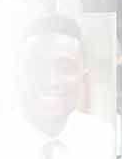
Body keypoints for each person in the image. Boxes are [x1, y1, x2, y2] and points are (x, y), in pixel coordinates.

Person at [13, 15, 112, 159]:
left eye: (65, 68)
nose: (51, 81)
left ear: (83, 77)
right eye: (38, 67)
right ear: (18, 73)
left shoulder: (104, 139)